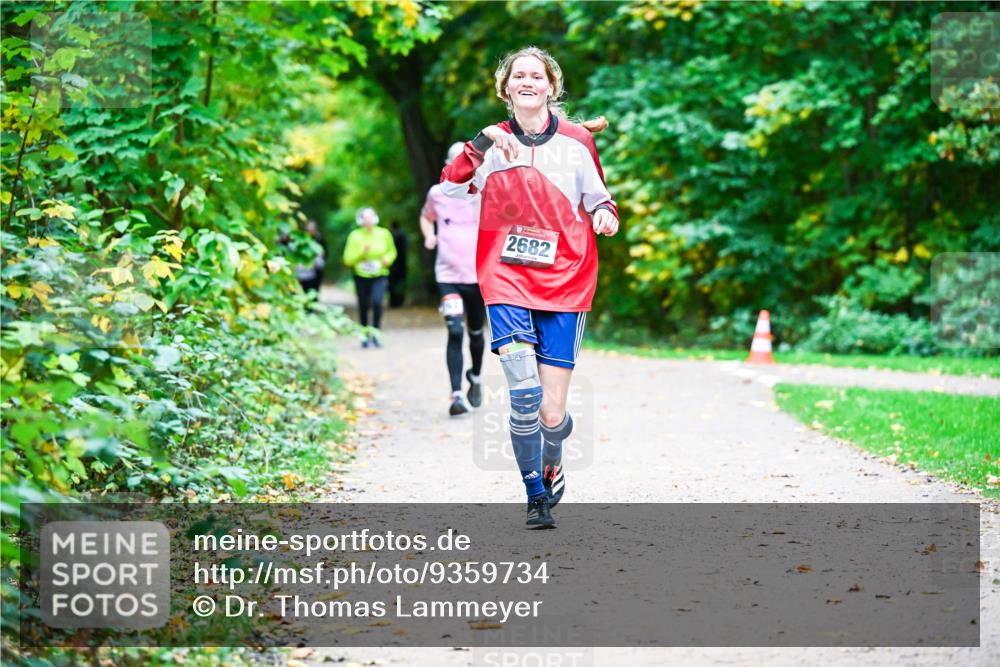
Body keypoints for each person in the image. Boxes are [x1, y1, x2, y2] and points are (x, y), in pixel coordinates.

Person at [440, 47, 619, 529]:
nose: (527, 81)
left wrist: (605, 215)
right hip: (506, 278)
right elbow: (450, 189)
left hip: (567, 280)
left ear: (550, 86)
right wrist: (483, 141)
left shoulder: (578, 141)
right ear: (506, 88)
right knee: (523, 393)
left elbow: (600, 198)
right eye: (518, 75)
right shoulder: (488, 144)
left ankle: (553, 454)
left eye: (536, 76)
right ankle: (535, 495)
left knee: (550, 412)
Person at [420, 142, 486, 417]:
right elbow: (426, 217)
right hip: (448, 275)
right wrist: (429, 235)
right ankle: (456, 394)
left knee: (476, 334)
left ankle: (475, 376)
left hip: (478, 276)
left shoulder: (482, 191)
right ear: (449, 166)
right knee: (455, 330)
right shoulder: (437, 193)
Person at [342, 207, 397, 348]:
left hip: (380, 274)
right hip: (361, 276)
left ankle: (376, 334)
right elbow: (347, 259)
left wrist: (387, 259)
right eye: (365, 218)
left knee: (378, 302)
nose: (368, 221)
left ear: (375, 218)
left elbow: (392, 251)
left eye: (370, 218)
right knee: (364, 305)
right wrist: (362, 252)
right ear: (360, 220)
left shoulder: (384, 234)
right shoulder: (354, 236)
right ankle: (364, 336)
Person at [295, 219, 327, 294]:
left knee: (313, 292)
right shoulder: (300, 240)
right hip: (301, 273)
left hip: (314, 273)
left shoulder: (319, 239)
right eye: (309, 229)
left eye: (312, 229)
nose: (310, 231)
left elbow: (324, 255)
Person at [387, 221, 409, 308]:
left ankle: (394, 302)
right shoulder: (403, 235)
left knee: (393, 283)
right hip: (402, 264)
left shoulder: (391, 235)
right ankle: (400, 301)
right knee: (400, 282)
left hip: (393, 264)